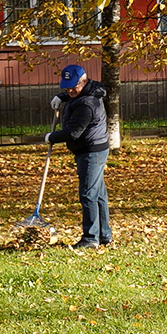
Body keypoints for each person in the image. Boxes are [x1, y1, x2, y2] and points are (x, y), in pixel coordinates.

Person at [44, 63, 114, 250]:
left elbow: (73, 132)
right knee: (98, 194)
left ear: (84, 80)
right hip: (93, 148)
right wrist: (62, 96)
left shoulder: (87, 103)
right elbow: (74, 94)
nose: (71, 89)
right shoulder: (86, 92)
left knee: (88, 193)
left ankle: (91, 238)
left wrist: (51, 137)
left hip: (91, 151)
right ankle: (104, 235)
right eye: (67, 86)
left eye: (74, 86)